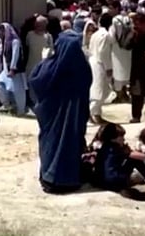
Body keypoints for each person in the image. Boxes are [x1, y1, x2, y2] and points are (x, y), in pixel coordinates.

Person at [29, 32, 92, 194]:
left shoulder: (49, 67)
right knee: (70, 145)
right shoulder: (82, 68)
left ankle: (49, 178)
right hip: (74, 118)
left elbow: (35, 81)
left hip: (51, 118)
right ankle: (68, 180)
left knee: (51, 144)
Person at [92, 123, 145, 195]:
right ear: (113, 139)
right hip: (114, 183)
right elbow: (140, 157)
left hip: (100, 182)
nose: (124, 139)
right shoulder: (116, 148)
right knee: (134, 160)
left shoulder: (103, 148)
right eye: (121, 136)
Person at [0, 22, 28, 115]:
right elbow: (5, 57)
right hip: (6, 70)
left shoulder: (15, 41)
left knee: (18, 91)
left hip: (15, 70)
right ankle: (7, 105)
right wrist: (6, 70)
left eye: (2, 31)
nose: (1, 33)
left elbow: (15, 55)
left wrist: (13, 68)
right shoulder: (6, 42)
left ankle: (21, 110)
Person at [89, 13, 114, 124]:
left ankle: (96, 114)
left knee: (101, 88)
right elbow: (103, 52)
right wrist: (108, 67)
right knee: (99, 90)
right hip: (100, 63)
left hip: (94, 61)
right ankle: (92, 113)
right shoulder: (105, 35)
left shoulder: (96, 34)